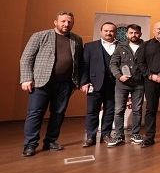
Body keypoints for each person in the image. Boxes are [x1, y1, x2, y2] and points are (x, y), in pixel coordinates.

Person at [20, 11, 83, 157]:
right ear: (55, 22)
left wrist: (77, 81)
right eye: (63, 21)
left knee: (58, 113)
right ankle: (30, 144)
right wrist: (26, 78)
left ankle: (50, 141)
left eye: (70, 22)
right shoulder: (40, 36)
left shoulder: (77, 40)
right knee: (35, 113)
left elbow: (79, 62)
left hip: (65, 84)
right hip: (41, 82)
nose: (66, 24)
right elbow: (26, 58)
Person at [80, 22, 119, 147]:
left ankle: (106, 135)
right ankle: (90, 137)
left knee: (110, 111)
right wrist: (84, 82)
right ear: (100, 32)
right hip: (95, 84)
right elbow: (85, 66)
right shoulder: (90, 46)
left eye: (111, 31)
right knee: (92, 111)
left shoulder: (121, 46)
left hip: (114, 85)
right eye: (106, 31)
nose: (109, 33)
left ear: (115, 32)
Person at [109, 24, 145, 145]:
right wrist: (120, 76)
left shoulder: (145, 46)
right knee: (119, 110)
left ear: (140, 34)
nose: (133, 35)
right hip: (121, 84)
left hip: (139, 84)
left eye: (136, 33)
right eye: (131, 33)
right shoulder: (120, 46)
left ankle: (135, 134)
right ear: (127, 34)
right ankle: (119, 136)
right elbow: (113, 64)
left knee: (137, 110)